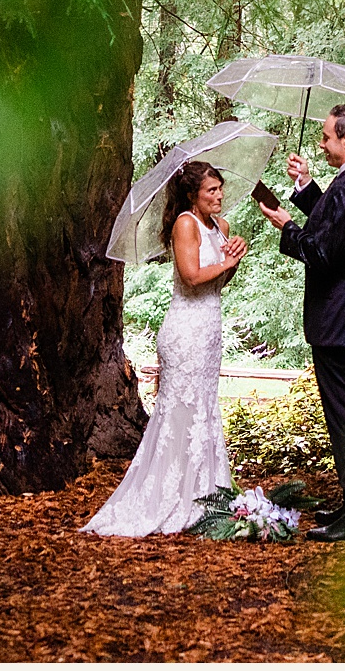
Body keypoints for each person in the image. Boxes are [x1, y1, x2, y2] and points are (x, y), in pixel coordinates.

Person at [84, 161, 247, 535]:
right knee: (180, 409)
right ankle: (172, 494)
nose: (219, 196)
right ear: (193, 195)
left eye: (220, 189)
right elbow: (191, 278)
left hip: (209, 329)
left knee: (204, 407)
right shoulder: (185, 223)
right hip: (185, 328)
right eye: (211, 191)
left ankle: (207, 493)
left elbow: (219, 284)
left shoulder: (220, 227)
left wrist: (233, 258)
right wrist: (227, 260)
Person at [257, 106, 345, 542]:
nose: (321, 144)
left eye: (326, 137)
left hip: (340, 316)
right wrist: (305, 186)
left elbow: (321, 251)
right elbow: (339, 225)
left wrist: (286, 225)